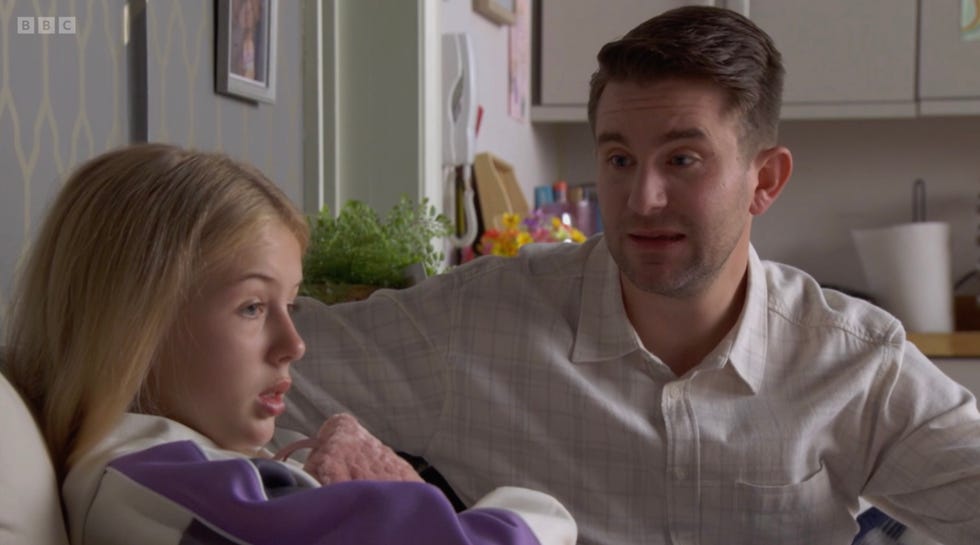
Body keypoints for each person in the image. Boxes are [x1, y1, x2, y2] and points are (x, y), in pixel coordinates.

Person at [277, 6, 980, 545]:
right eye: (619, 160)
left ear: (764, 180)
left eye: (682, 160)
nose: (642, 199)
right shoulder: (474, 323)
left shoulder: (856, 363)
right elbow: (256, 366)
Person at [3, 143, 576, 545]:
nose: (294, 344)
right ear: (135, 323)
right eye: (253, 307)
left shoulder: (182, 464)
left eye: (292, 305)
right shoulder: (155, 481)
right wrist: (538, 514)